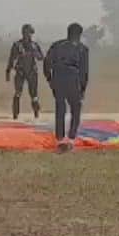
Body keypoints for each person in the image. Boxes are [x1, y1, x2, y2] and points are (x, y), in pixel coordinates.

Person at [44, 22, 90, 152]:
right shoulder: (82, 49)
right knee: (76, 108)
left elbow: (46, 63)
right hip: (72, 79)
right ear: (79, 35)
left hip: (58, 78)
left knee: (60, 108)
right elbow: (84, 71)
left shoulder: (56, 45)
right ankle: (71, 138)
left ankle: (59, 139)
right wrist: (82, 89)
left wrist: (50, 80)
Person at [6, 24, 44, 120]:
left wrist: (35, 53)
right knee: (18, 93)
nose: (28, 35)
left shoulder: (35, 45)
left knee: (34, 95)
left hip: (32, 72)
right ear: (23, 33)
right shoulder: (17, 45)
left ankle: (36, 113)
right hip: (20, 71)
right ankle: (15, 114)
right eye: (27, 33)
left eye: (30, 33)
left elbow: (41, 57)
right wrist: (8, 71)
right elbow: (11, 59)